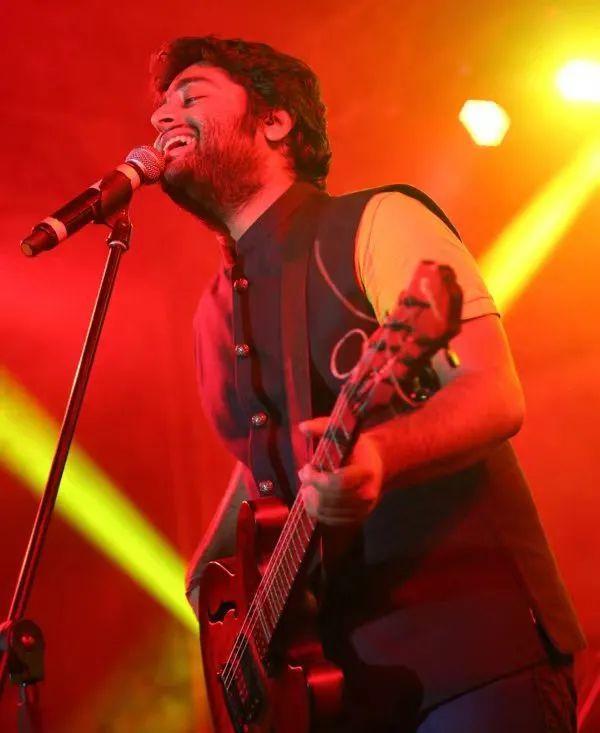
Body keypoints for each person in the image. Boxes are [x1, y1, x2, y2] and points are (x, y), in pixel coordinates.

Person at [149, 36, 585, 732]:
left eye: (191, 96)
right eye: (160, 107)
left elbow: (493, 392)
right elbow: (266, 459)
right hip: (341, 694)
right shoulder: (213, 315)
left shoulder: (378, 220)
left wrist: (378, 454)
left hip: (469, 657)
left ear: (275, 121)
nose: (162, 117)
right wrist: (213, 573)